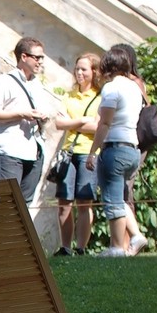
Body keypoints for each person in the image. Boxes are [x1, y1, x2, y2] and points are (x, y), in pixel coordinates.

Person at [85, 48, 147, 257]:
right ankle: (136, 235)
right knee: (119, 196)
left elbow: (105, 123)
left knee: (112, 199)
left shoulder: (112, 88)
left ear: (107, 67)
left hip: (115, 147)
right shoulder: (134, 88)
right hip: (132, 149)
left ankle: (117, 248)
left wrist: (92, 152)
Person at [0, 36, 53, 205]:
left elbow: (43, 112)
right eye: (37, 57)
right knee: (7, 202)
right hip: (11, 150)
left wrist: (44, 117)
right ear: (24, 57)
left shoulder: (37, 84)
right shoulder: (4, 81)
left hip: (35, 150)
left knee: (25, 204)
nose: (40, 62)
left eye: (42, 58)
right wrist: (21, 114)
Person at [53, 53, 102, 256]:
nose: (79, 73)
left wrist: (72, 123)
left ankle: (81, 248)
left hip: (88, 152)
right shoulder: (69, 96)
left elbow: (98, 127)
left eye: (84, 69)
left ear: (94, 72)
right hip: (68, 152)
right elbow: (59, 123)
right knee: (64, 202)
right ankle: (66, 247)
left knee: (84, 202)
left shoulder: (100, 97)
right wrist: (82, 121)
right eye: (77, 68)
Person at [111, 43, 150, 254]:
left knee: (124, 191)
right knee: (124, 191)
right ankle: (125, 243)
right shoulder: (135, 83)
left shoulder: (132, 83)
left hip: (131, 141)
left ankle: (128, 244)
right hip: (133, 142)